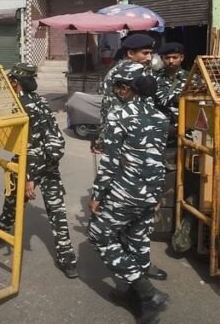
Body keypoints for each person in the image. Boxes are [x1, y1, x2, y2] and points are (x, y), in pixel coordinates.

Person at [89, 68, 171, 324]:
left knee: (99, 235)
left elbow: (110, 161)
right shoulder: (161, 117)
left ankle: (147, 293)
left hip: (125, 192)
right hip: (150, 191)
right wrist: (155, 194)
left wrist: (97, 194)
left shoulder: (119, 115)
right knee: (136, 239)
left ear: (130, 89)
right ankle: (139, 303)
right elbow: (157, 157)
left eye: (122, 87)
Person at [0, 62, 79, 278]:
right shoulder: (40, 100)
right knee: (56, 210)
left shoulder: (22, 104)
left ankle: (4, 225)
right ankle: (67, 258)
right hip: (50, 161)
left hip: (32, 161)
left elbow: (31, 144)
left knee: (17, 193)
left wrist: (30, 177)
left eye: (10, 82)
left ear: (16, 82)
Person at [95, 34, 154, 152]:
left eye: (150, 53)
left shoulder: (118, 68)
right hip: (128, 130)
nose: (149, 58)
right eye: (145, 53)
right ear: (130, 54)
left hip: (116, 129)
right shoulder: (132, 71)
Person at [153, 42, 187, 143]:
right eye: (167, 58)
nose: (171, 61)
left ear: (181, 58)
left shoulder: (192, 78)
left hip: (184, 129)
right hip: (160, 129)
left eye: (175, 57)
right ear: (162, 59)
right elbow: (160, 100)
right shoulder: (154, 77)